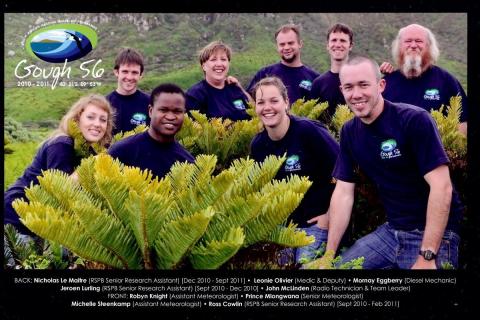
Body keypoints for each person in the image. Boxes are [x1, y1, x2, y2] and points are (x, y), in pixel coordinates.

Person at [313, 56, 463, 269]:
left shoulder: (413, 120)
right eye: (349, 87)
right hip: (391, 232)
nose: (356, 94)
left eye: (364, 85)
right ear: (342, 90)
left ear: (381, 85)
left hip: (435, 234)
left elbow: (442, 187)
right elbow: (343, 193)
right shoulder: (349, 132)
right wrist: (329, 255)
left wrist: (427, 256)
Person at [249, 77, 339, 264]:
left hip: (315, 223)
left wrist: (330, 215)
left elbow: (344, 172)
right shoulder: (258, 145)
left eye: (274, 101)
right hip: (282, 228)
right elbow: (257, 190)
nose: (267, 107)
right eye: (261, 102)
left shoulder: (309, 132)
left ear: (286, 102)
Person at [4, 94, 114, 237]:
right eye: (90, 117)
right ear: (77, 119)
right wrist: (92, 164)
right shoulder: (62, 144)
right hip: (16, 220)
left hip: (37, 222)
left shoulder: (84, 149)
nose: (97, 124)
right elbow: (61, 190)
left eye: (103, 120)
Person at [382, 24, 468, 135]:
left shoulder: (447, 81)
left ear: (428, 46)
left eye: (419, 41)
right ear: (399, 47)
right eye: (408, 41)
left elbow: (462, 122)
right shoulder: (387, 82)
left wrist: (450, 150)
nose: (413, 45)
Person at [109, 83, 194, 179]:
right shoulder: (122, 152)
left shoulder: (188, 163)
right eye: (163, 110)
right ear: (150, 111)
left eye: (177, 111)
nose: (170, 117)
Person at [247, 23, 320, 104]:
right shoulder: (265, 74)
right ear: (277, 47)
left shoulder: (315, 78)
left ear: (300, 44)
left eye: (290, 43)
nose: (286, 47)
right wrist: (237, 86)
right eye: (282, 44)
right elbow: (249, 102)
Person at [185, 41, 251, 121]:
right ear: (203, 66)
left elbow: (253, 110)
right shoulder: (195, 95)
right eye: (213, 59)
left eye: (223, 59)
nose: (219, 64)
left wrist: (240, 87)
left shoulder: (234, 88)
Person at [308, 23, 353, 119]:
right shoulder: (318, 84)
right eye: (334, 40)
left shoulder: (359, 79)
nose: (338, 44)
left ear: (350, 46)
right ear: (327, 46)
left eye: (343, 41)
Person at [106, 47, 150, 134]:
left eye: (134, 72)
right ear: (116, 72)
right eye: (125, 71)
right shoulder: (104, 103)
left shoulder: (151, 103)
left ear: (141, 75)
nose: (129, 77)